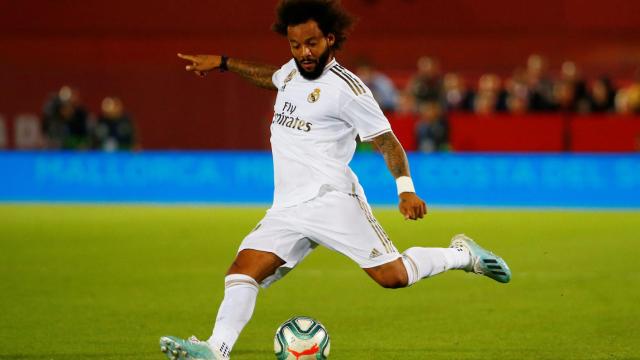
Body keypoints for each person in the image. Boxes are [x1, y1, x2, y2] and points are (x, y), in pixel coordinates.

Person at [165, 1, 511, 359]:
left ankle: (462, 254)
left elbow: (386, 141)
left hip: (332, 200)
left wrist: (405, 190)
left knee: (393, 277)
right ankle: (216, 350)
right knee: (242, 272)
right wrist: (223, 63)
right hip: (287, 208)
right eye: (296, 46)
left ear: (330, 39)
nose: (304, 53)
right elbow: (271, 77)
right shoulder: (292, 72)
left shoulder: (348, 89)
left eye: (312, 43)